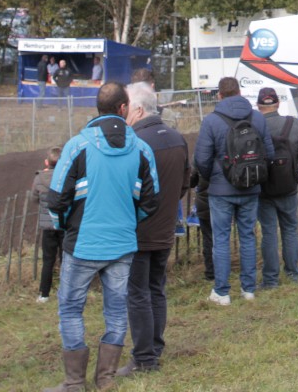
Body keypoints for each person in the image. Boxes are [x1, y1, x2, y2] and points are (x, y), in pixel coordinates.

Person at [45, 82, 159, 392]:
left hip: (82, 243)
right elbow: (151, 201)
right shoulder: (142, 149)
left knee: (71, 308)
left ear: (98, 108)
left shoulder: (76, 147)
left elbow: (56, 200)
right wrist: (128, 222)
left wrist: (66, 227)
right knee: (116, 310)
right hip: (123, 245)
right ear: (123, 108)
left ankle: (74, 382)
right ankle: (105, 379)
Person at [122, 82, 189, 375]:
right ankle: (155, 347)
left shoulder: (135, 143)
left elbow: (127, 189)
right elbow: (185, 183)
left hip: (139, 229)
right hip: (165, 227)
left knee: (138, 293)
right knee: (156, 288)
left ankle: (144, 358)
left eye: (126, 108)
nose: (123, 114)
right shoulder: (176, 138)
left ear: (138, 110)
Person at [194, 76, 274, 304]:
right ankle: (248, 289)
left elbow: (201, 159)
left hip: (221, 191)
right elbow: (268, 153)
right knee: (248, 236)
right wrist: (255, 176)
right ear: (239, 92)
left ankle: (222, 292)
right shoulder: (257, 118)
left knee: (221, 239)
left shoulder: (211, 121)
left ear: (219, 95)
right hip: (250, 187)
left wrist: (214, 178)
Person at [256, 86, 298, 286]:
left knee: (269, 232)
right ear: (278, 103)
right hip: (288, 187)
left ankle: (270, 278)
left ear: (258, 105)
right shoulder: (294, 124)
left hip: (263, 188)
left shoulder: (253, 126)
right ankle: (293, 274)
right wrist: (290, 169)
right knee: (290, 229)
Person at [32, 147, 64, 302]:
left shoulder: (39, 178)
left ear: (47, 162)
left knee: (48, 260)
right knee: (66, 260)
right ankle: (65, 292)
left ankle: (44, 294)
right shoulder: (66, 177)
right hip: (64, 224)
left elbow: (34, 198)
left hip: (47, 224)